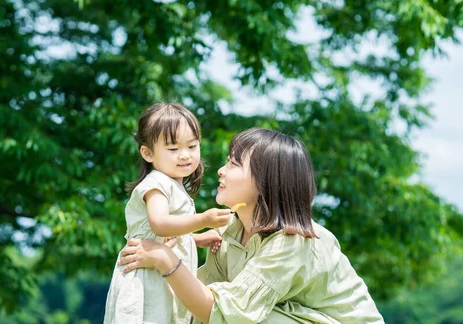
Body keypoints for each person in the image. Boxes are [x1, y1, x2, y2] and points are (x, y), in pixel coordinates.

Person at [119, 128, 385, 323]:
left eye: (234, 164)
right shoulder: (230, 232)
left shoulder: (292, 240)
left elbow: (224, 313)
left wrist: (165, 259)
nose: (221, 170)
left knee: (256, 319)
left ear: (265, 181)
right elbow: (198, 305)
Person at [103, 102, 231, 324]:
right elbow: (160, 225)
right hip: (146, 277)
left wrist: (195, 239)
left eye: (192, 146)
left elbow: (167, 236)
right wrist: (203, 220)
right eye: (173, 149)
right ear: (148, 153)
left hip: (161, 275)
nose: (184, 155)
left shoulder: (174, 186)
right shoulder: (156, 184)